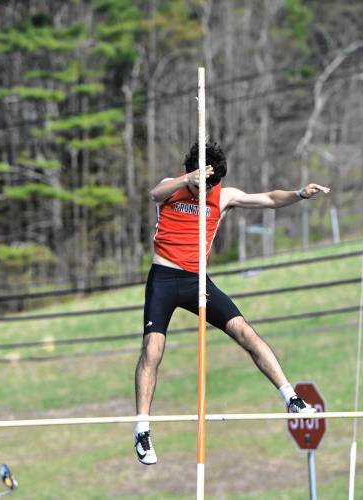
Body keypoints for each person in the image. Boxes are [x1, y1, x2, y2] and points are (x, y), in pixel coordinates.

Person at [134, 140, 331, 465]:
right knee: (152, 350)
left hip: (197, 281)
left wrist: (299, 194)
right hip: (164, 278)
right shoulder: (171, 187)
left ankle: (291, 397)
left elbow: (268, 198)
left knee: (246, 333)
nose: (205, 189)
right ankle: (142, 430)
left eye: (210, 184)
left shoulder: (224, 196)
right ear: (191, 172)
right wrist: (187, 180)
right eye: (202, 181)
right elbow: (154, 195)